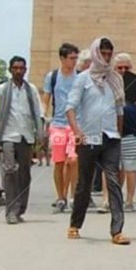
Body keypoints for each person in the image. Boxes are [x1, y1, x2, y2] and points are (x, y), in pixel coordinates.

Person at [65, 38, 130, 244]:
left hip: (110, 137)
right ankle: (75, 224)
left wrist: (119, 134)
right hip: (88, 137)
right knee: (84, 183)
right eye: (103, 53)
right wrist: (76, 131)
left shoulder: (115, 79)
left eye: (109, 53)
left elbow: (120, 109)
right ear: (95, 53)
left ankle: (117, 231)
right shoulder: (83, 79)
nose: (107, 57)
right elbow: (70, 107)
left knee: (113, 182)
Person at [0, 56, 44, 225]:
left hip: (26, 135)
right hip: (7, 135)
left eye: (21, 68)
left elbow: (38, 112)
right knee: (9, 170)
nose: (19, 71)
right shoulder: (2, 90)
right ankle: (11, 210)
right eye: (15, 68)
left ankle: (20, 208)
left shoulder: (31, 89)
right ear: (10, 70)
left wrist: (40, 136)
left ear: (25, 70)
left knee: (24, 174)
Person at [42, 42, 80, 212]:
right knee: (58, 162)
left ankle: (73, 196)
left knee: (73, 160)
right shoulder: (52, 76)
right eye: (71, 58)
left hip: (75, 125)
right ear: (62, 58)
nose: (74, 61)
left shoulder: (80, 77)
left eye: (76, 58)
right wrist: (44, 119)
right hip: (57, 124)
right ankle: (60, 197)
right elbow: (46, 99)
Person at [113, 53, 136, 211]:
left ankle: (130, 199)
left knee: (131, 168)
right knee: (115, 168)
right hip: (113, 133)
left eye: (127, 67)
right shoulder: (109, 84)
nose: (123, 70)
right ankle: (115, 198)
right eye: (120, 68)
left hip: (132, 133)